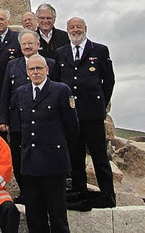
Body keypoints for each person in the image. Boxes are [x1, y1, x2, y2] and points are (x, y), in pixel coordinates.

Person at [12, 55, 78, 232]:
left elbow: (72, 127)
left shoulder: (60, 90)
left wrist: (60, 150)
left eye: (39, 69)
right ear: (27, 72)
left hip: (53, 162)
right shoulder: (21, 92)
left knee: (57, 215)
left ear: (47, 70)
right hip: (30, 162)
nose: (35, 72)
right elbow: (19, 126)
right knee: (34, 215)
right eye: (32, 69)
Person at [55, 17, 116, 208]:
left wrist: (101, 103)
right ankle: (79, 190)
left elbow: (109, 80)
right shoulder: (61, 53)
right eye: (72, 27)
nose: (75, 30)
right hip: (72, 114)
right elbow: (57, 81)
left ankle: (108, 194)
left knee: (99, 155)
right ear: (67, 30)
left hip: (92, 114)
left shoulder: (99, 50)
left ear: (85, 29)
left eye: (79, 27)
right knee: (75, 154)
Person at [0, 29, 57, 198]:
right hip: (18, 120)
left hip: (43, 122)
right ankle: (26, 192)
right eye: (24, 44)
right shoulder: (12, 65)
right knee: (19, 157)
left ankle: (42, 191)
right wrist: (3, 118)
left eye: (30, 43)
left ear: (38, 45)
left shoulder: (50, 64)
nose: (27, 46)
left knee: (40, 155)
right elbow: (5, 93)